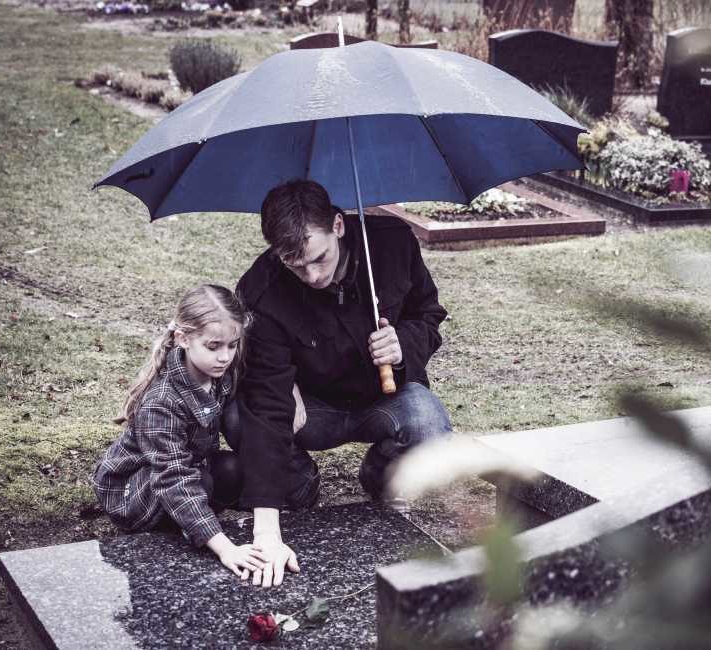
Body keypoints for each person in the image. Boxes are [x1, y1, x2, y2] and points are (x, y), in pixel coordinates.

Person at [228, 178, 452, 588]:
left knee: (429, 427)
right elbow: (267, 404)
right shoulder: (262, 289)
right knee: (240, 419)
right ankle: (299, 486)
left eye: (319, 259)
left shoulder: (393, 244)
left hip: (385, 397)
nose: (311, 276)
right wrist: (266, 534)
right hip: (311, 408)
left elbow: (429, 314)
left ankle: (381, 477)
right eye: (295, 265)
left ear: (338, 226)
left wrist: (403, 344)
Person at [92, 284, 267, 580]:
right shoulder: (161, 402)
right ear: (183, 339)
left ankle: (193, 518)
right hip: (135, 492)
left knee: (233, 470)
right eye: (213, 347)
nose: (225, 357)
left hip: (190, 466)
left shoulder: (220, 370)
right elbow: (173, 477)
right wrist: (225, 548)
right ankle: (184, 528)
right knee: (199, 482)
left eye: (232, 345)